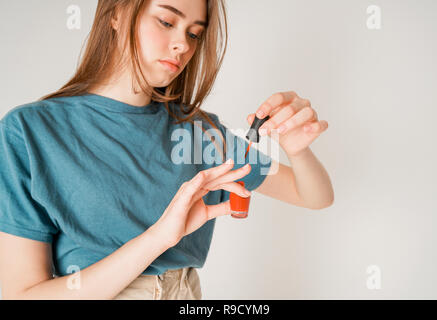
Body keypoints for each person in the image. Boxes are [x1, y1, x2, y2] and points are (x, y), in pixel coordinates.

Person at [0, 0, 334, 300]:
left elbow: (315, 196)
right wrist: (159, 237)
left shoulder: (199, 133)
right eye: (166, 21)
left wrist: (297, 149)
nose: (181, 45)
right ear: (116, 13)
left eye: (194, 34)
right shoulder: (30, 132)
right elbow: (22, 295)